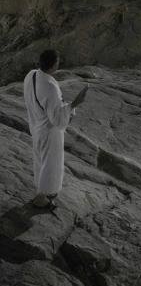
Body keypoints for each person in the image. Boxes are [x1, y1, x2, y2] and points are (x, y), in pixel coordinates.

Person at [23, 49, 88, 208]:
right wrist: (74, 104)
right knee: (50, 165)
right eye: (58, 61)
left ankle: (41, 191)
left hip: (36, 126)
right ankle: (42, 197)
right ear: (53, 65)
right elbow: (57, 120)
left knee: (40, 161)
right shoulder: (50, 87)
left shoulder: (31, 75)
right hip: (49, 132)